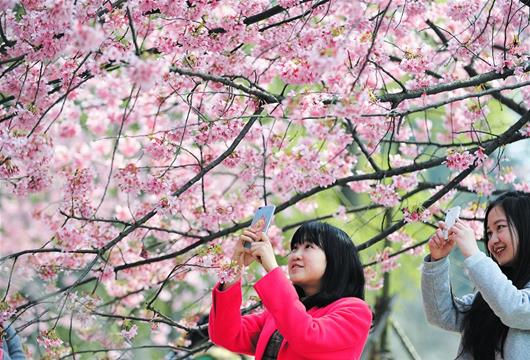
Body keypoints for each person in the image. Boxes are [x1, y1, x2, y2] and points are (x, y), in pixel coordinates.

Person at [208, 221, 372, 360]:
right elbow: (225, 334)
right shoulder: (275, 316)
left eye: (308, 246)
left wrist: (273, 269)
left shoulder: (355, 311)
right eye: (294, 248)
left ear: (336, 259)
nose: (295, 255)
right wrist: (236, 266)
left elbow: (307, 337)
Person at [421, 191, 530, 360]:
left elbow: (515, 309)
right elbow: (443, 316)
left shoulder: (508, 298)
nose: (493, 241)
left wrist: (474, 254)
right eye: (488, 233)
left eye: (500, 227)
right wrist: (437, 261)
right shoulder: (492, 295)